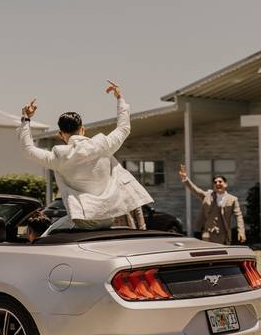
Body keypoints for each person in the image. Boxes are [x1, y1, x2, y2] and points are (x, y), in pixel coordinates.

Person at [18, 80, 152, 230]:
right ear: (82, 129)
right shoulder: (103, 144)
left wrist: (26, 119)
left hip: (82, 220)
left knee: (44, 234)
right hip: (108, 217)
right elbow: (124, 128)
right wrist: (120, 98)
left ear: (60, 134)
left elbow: (27, 149)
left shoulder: (59, 156)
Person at [179, 165, 246, 245]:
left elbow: (239, 216)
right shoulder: (207, 195)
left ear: (226, 184)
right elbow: (195, 190)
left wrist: (241, 232)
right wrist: (185, 179)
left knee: (222, 254)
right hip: (207, 233)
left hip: (223, 234)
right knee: (207, 254)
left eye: (220, 181)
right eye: (215, 182)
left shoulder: (233, 199)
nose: (217, 183)